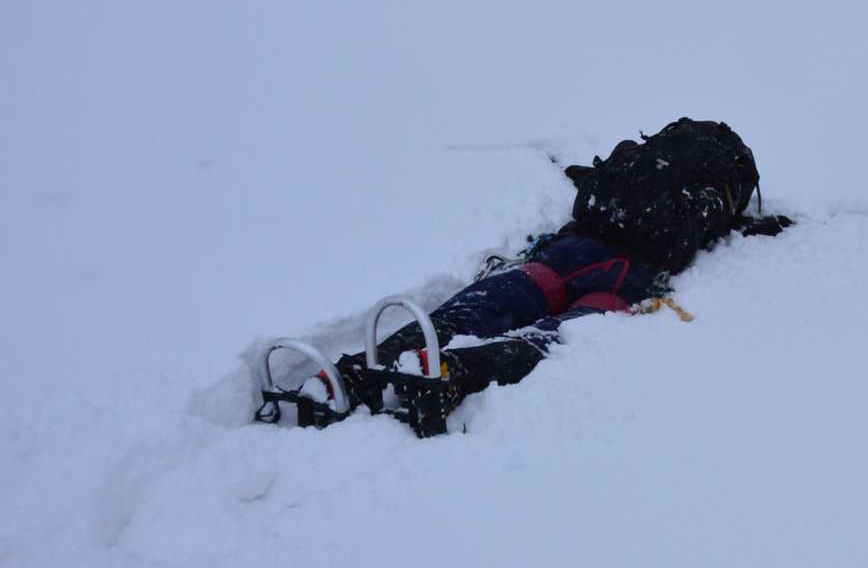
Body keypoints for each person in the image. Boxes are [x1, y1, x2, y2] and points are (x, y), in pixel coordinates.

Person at [280, 119, 791, 432]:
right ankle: (454, 372)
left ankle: (356, 370)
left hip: (567, 252)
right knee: (559, 335)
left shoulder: (647, 164)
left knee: (483, 305)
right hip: (626, 277)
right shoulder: (713, 189)